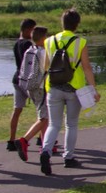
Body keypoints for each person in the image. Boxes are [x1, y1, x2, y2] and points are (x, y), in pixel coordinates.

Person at [39, 9, 100, 176]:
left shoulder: (49, 41)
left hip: (53, 87)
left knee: (53, 124)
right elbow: (87, 67)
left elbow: (45, 67)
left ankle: (46, 151)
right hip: (74, 88)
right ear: (77, 24)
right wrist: (93, 89)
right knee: (71, 124)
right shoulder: (80, 42)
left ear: (62, 23)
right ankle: (68, 157)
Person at [15, 26, 50, 162]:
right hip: (40, 87)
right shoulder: (42, 52)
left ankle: (45, 143)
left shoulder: (30, 50)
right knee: (44, 117)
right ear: (43, 38)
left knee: (43, 116)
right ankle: (25, 140)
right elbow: (47, 68)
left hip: (29, 87)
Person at [7, 18, 37, 152]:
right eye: (33, 30)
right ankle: (42, 138)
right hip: (27, 80)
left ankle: (11, 140)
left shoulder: (16, 43)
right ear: (27, 30)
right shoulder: (27, 44)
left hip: (17, 78)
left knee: (17, 110)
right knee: (42, 110)